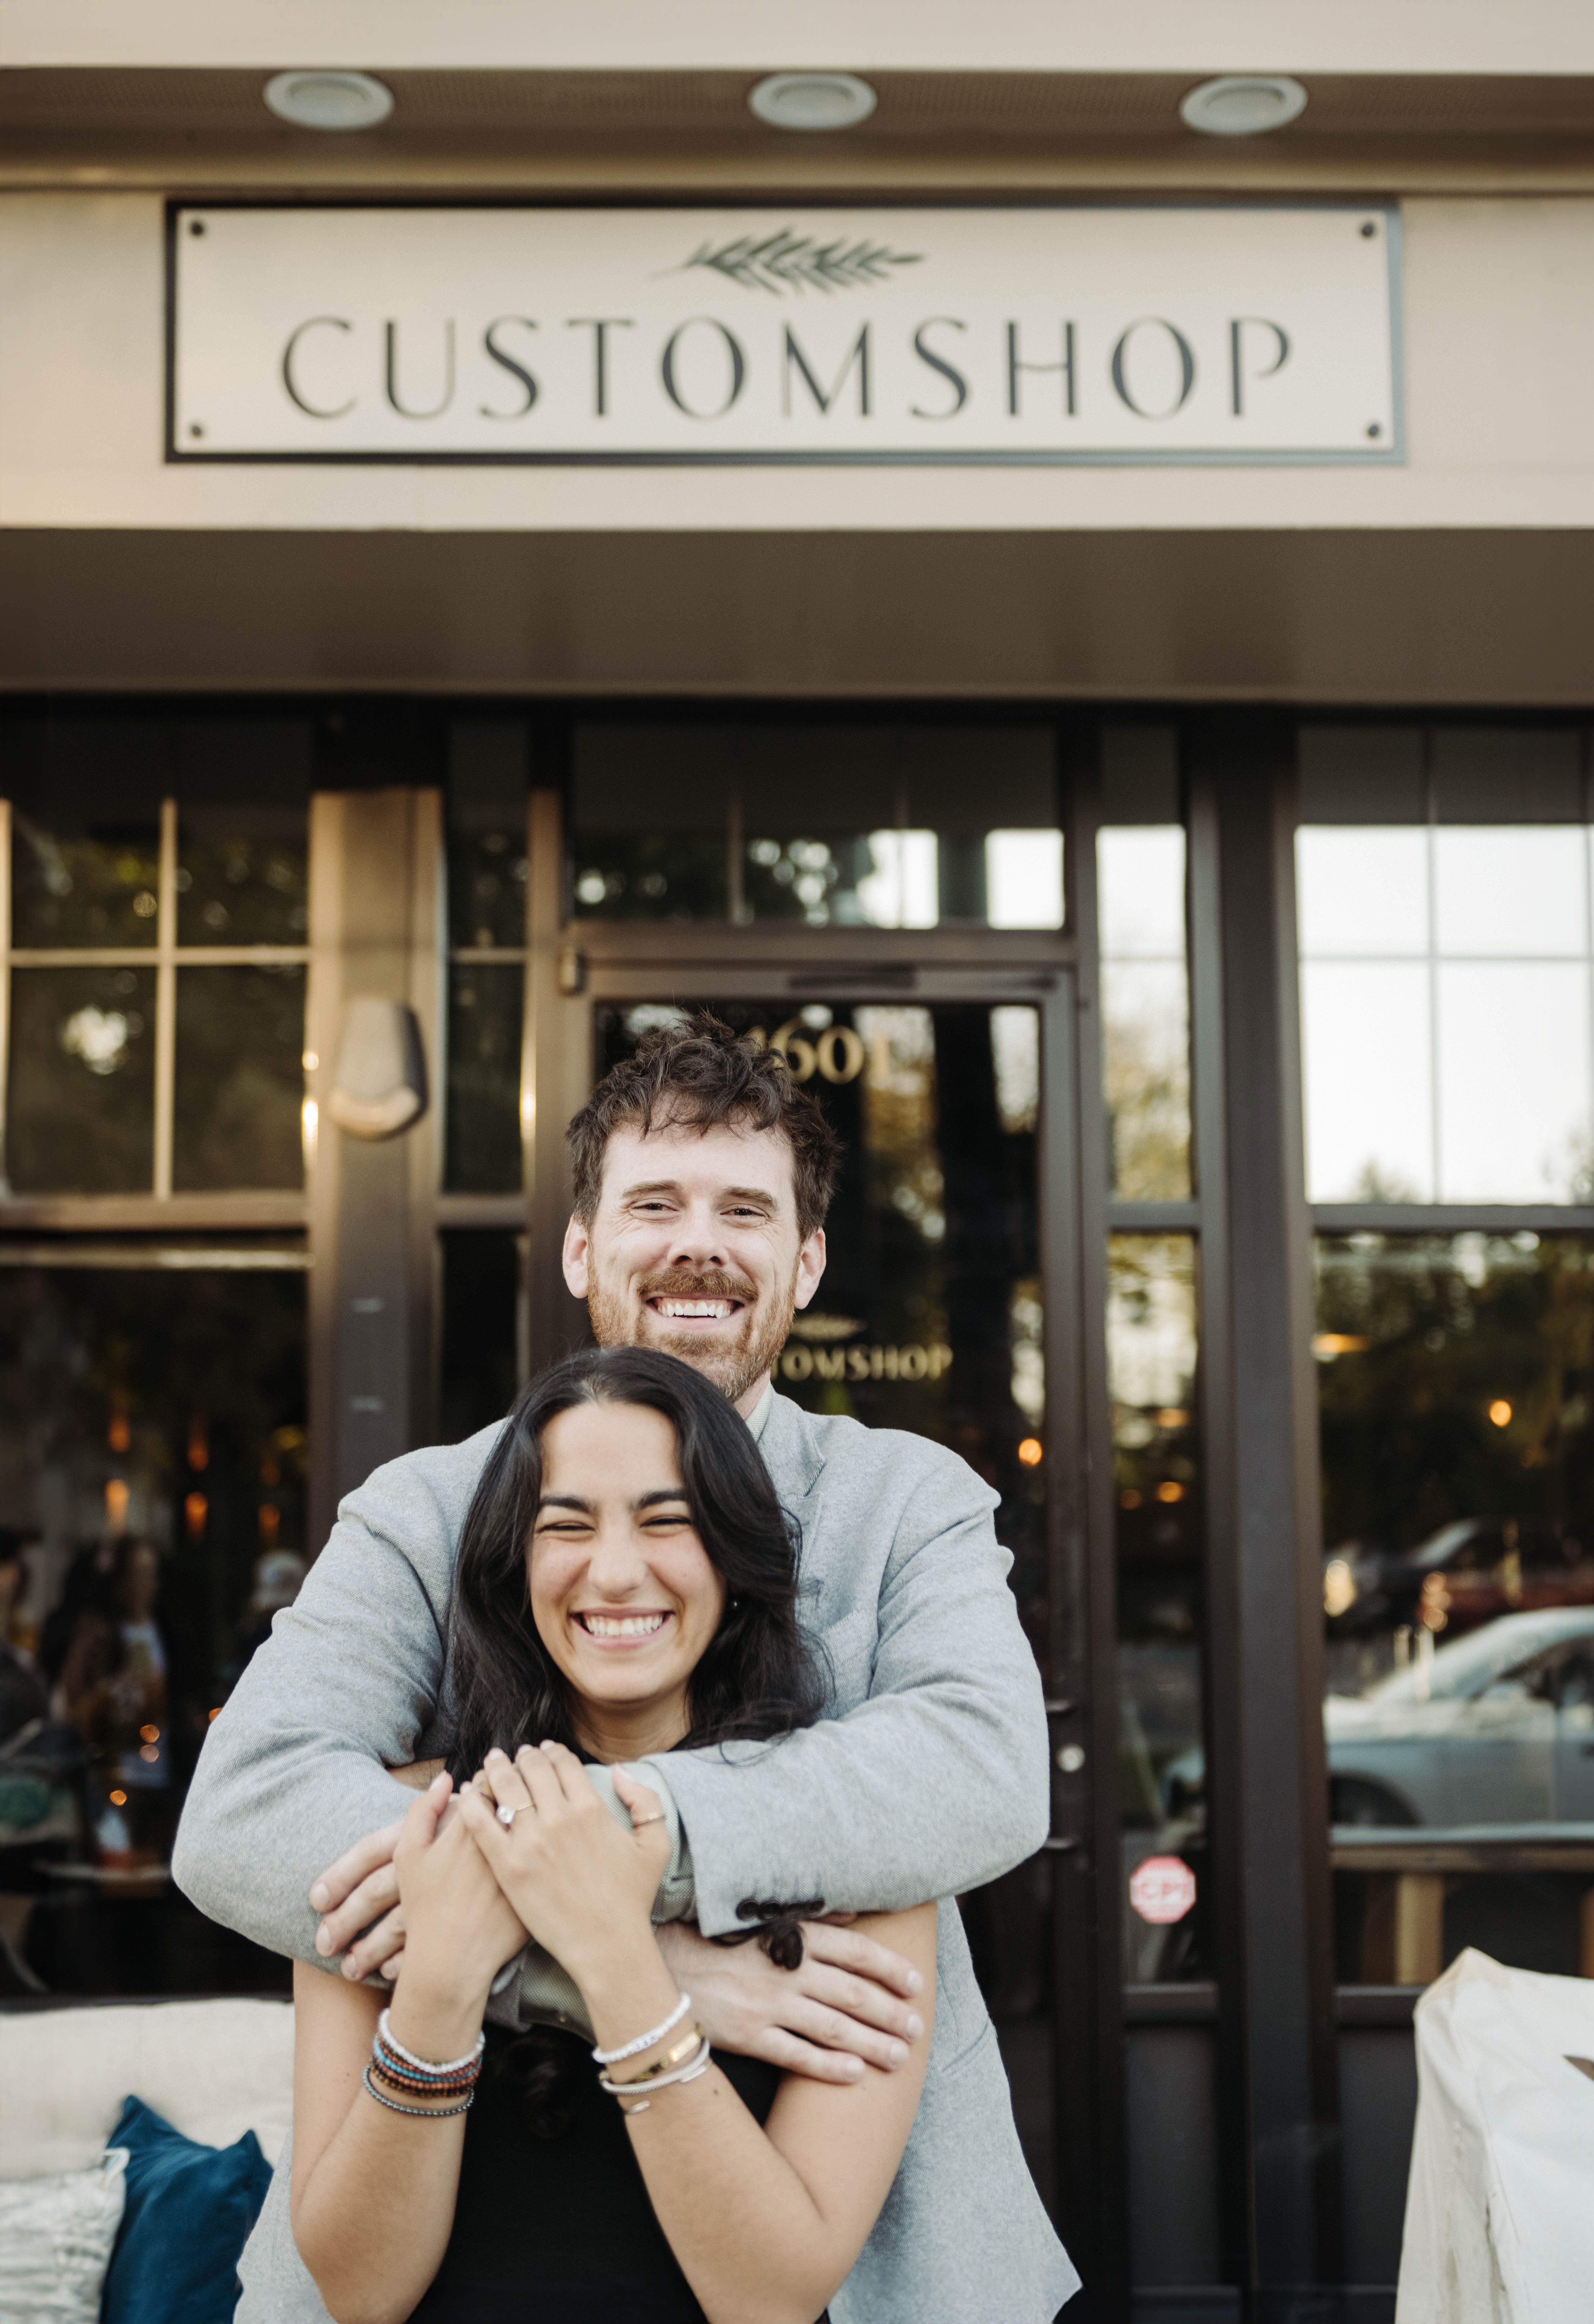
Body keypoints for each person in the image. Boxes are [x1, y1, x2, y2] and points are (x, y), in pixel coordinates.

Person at [175, 1015, 1077, 2322]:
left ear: (807, 1261)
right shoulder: (425, 1509)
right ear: (583, 1248)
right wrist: (610, 1969)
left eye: (746, 1210)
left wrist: (583, 1847)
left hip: (867, 2254)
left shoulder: (907, 1501)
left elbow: (980, 1777)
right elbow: (247, 1809)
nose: (697, 1242)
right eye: (654, 1201)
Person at [278, 1345, 941, 2324]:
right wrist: (447, 1981)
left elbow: (772, 2298)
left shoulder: (860, 1867)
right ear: (517, 1565)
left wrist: (615, 1955)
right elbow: (359, 2291)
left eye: (668, 1520)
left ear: (735, 1556)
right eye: (566, 1525)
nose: (618, 1571)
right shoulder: (410, 1833)